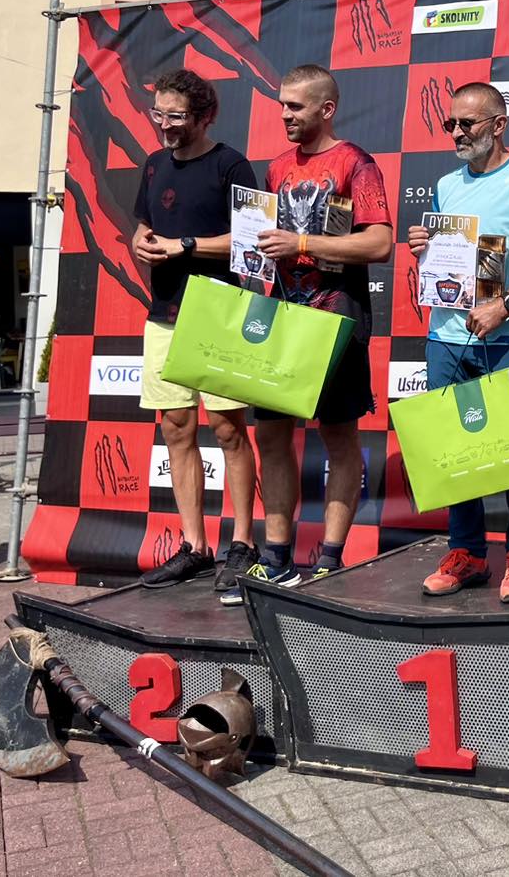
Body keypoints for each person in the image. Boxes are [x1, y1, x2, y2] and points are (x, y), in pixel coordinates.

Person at [220, 64, 393, 605]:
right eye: (282, 105)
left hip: (335, 319)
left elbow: (379, 244)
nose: (284, 115)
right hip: (282, 321)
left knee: (338, 439)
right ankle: (276, 559)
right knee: (271, 437)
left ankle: (329, 561)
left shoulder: (356, 163)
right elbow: (258, 246)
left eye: (295, 106)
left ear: (326, 108)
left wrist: (301, 244)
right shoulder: (275, 168)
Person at [406, 82, 509, 605]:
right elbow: (443, 263)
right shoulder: (445, 184)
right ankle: (468, 553)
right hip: (446, 337)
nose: (455, 132)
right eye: (450, 123)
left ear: (498, 125)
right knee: (456, 453)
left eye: (466, 123)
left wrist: (507, 305)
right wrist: (424, 248)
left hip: (506, 336)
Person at [131, 68, 259, 592]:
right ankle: (194, 546)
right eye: (158, 113)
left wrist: (184, 246)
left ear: (205, 116)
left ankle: (243, 544)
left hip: (218, 313)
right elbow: (144, 226)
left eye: (176, 116)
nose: (164, 124)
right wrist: (139, 242)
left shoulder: (231, 164)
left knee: (228, 430)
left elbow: (250, 239)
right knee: (176, 429)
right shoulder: (153, 164)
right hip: (163, 314)